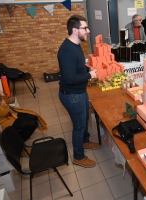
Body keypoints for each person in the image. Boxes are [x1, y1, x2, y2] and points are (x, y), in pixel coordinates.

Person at [57, 15, 99, 168]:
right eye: (85, 28)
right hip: (72, 95)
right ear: (75, 30)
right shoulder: (67, 50)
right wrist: (89, 75)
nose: (88, 31)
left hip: (79, 92)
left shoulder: (76, 45)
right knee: (79, 126)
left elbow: (78, 66)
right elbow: (69, 78)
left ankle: (85, 141)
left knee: (84, 119)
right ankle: (78, 156)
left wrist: (89, 68)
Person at [0, 75, 47, 141]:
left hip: (8, 113)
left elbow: (6, 102)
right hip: (2, 121)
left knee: (34, 117)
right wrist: (3, 103)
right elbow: (3, 112)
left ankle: (16, 134)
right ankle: (17, 142)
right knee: (32, 123)